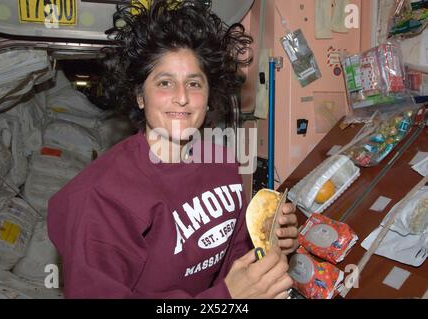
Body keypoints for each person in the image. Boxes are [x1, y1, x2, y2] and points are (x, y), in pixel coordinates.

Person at [47, 0, 299, 299]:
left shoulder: (223, 163)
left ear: (208, 95)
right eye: (165, 82)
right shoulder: (101, 198)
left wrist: (269, 245)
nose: (182, 97)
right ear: (140, 95)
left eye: (194, 83)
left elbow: (236, 252)